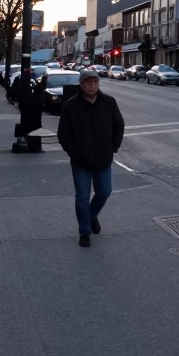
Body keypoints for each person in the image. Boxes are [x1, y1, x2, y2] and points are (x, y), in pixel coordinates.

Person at [56, 70, 124, 247]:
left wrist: (113, 147)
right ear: (81, 84)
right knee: (82, 198)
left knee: (104, 192)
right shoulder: (71, 106)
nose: (91, 85)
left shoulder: (109, 103)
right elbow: (63, 134)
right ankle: (84, 231)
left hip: (103, 159)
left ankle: (92, 214)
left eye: (94, 82)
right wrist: (74, 152)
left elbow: (119, 126)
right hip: (81, 162)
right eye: (88, 82)